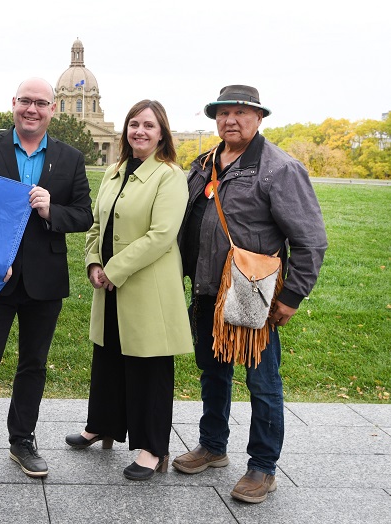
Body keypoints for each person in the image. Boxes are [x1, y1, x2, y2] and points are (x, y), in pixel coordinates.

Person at [173, 85, 327, 503]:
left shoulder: (279, 168)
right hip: (207, 290)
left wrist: (292, 296)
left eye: (242, 112)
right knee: (213, 372)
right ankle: (213, 446)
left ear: (259, 118)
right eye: (224, 113)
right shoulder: (204, 163)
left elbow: (311, 240)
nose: (231, 120)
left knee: (263, 382)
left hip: (253, 295)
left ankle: (262, 467)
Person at [0, 77, 93, 498]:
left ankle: (22, 441)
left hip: (45, 280)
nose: (32, 108)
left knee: (33, 366)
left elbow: (83, 215)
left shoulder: (70, 158)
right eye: (25, 101)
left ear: (52, 109)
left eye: (41, 103)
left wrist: (52, 210)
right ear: (13, 104)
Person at [64, 100, 193, 480]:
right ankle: (102, 425)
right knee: (108, 358)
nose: (139, 131)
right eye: (134, 124)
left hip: (146, 287)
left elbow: (161, 235)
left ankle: (153, 448)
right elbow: (96, 224)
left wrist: (113, 270)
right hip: (110, 285)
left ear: (161, 133)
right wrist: (93, 262)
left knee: (148, 367)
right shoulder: (115, 170)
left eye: (148, 126)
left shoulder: (169, 175)